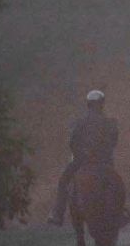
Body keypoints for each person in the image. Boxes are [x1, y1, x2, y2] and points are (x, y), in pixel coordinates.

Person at [48, 90, 125, 226]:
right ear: (102, 104)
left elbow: (72, 142)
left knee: (64, 181)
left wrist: (81, 154)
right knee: (116, 184)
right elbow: (114, 142)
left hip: (81, 161)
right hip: (104, 162)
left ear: (88, 104)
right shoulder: (109, 122)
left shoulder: (80, 122)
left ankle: (58, 214)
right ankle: (121, 212)